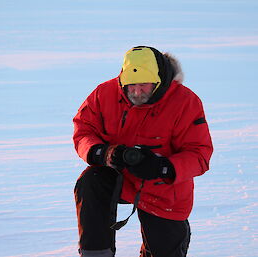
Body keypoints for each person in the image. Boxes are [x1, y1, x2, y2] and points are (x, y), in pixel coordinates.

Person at [73, 46, 213, 257]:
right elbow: (84, 130)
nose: (137, 92)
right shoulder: (105, 93)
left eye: (144, 86)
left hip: (164, 188)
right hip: (119, 177)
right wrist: (103, 153)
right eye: (132, 86)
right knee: (91, 180)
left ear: (159, 81)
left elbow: (200, 154)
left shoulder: (185, 102)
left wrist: (163, 167)